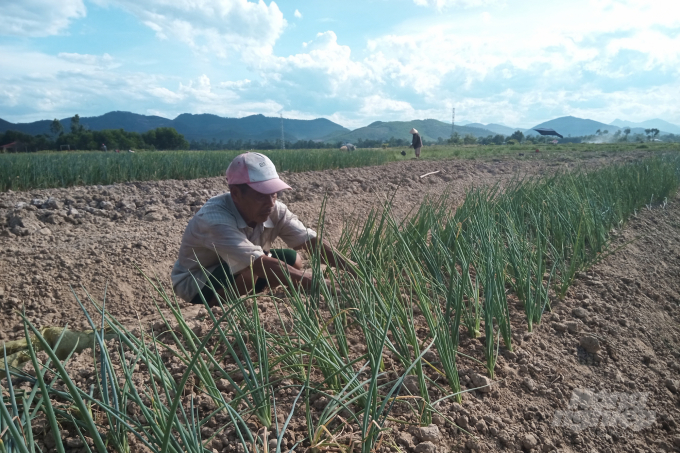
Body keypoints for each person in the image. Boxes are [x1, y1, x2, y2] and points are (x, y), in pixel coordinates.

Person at [171, 152, 357, 306]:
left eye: (273, 194)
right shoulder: (214, 220)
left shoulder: (274, 209)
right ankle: (225, 307)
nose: (270, 203)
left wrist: (355, 270)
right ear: (236, 194)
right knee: (249, 272)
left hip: (242, 266)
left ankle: (255, 293)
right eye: (261, 195)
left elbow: (310, 241)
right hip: (196, 281)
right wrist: (324, 285)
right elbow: (257, 263)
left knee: (294, 260)